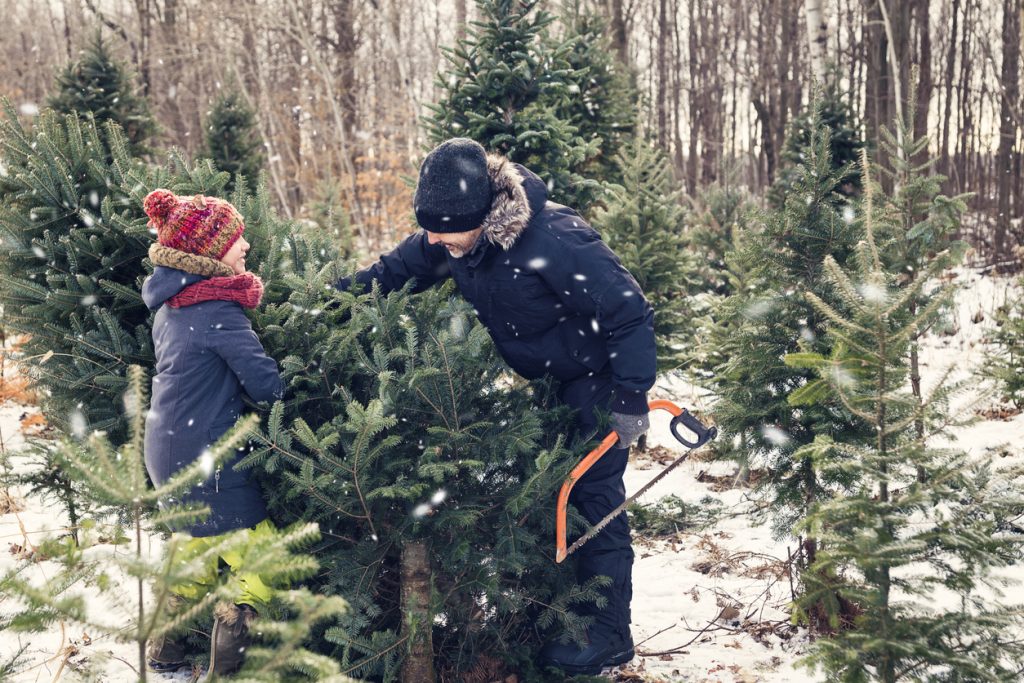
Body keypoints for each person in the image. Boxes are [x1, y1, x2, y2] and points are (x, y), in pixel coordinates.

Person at [338, 138, 656, 675]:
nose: (434, 239)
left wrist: (629, 397)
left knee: (592, 499)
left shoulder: (554, 237)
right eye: (429, 227)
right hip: (549, 380)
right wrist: (331, 299)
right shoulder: (452, 236)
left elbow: (629, 309)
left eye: (443, 228)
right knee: (550, 495)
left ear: (481, 215)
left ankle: (608, 634)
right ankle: (561, 613)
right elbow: (390, 274)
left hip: (597, 381)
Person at [141, 189, 284, 676]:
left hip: (165, 451)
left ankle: (165, 652)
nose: (245, 245)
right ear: (207, 251)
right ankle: (230, 670)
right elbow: (267, 385)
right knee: (260, 560)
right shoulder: (218, 313)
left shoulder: (171, 308)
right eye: (235, 238)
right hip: (209, 456)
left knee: (196, 548)